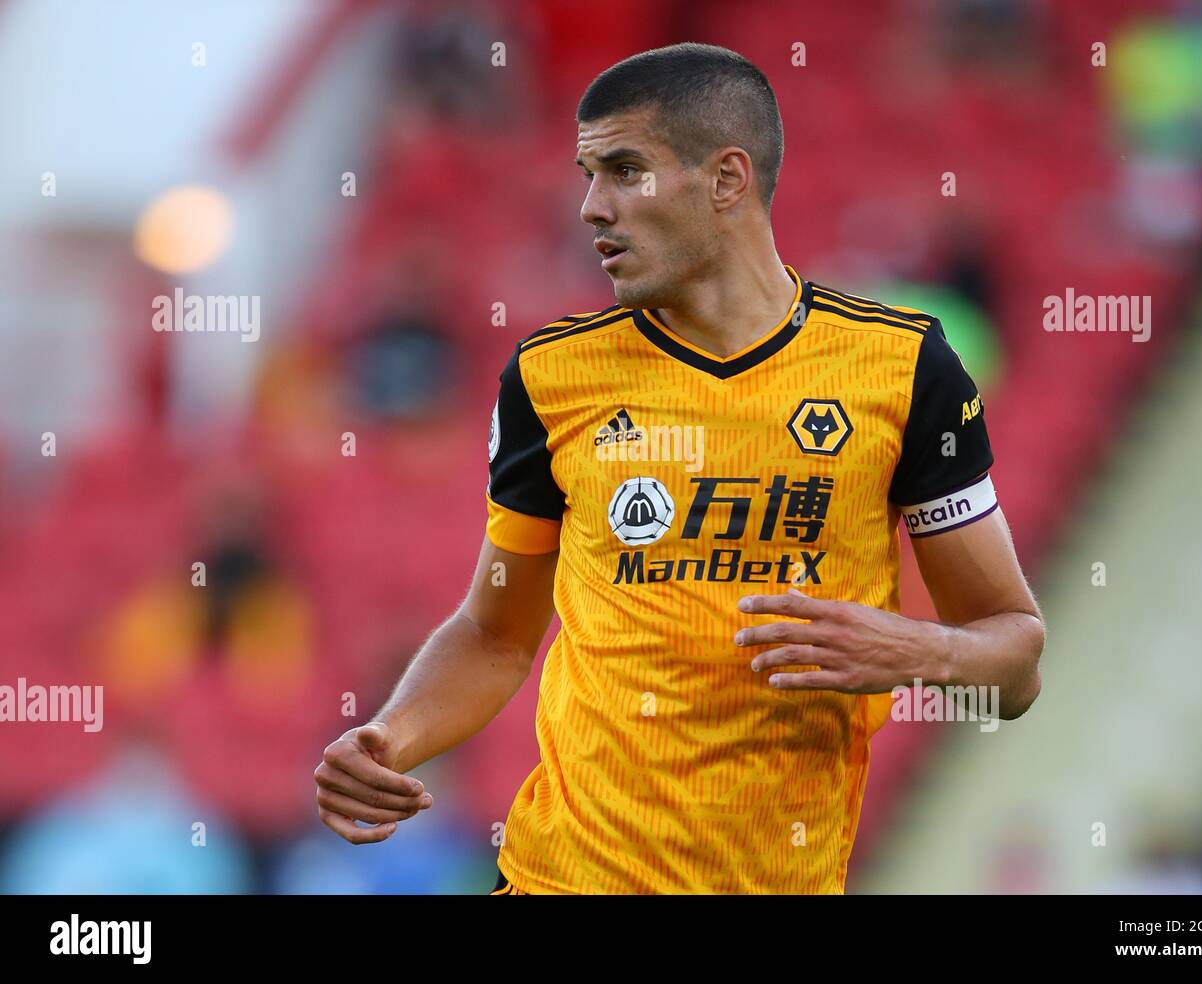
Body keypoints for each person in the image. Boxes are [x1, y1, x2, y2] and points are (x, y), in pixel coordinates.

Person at [314, 43, 1045, 894]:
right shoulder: (551, 379)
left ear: (728, 180)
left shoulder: (901, 370)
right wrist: (391, 736)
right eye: (589, 174)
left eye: (625, 170)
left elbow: (1015, 665)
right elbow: (494, 634)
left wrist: (914, 652)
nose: (592, 207)